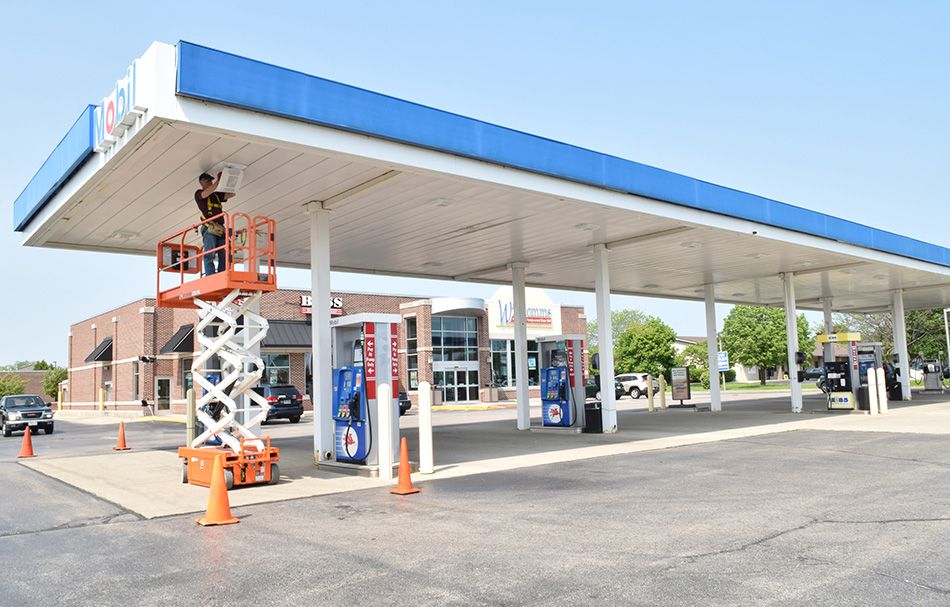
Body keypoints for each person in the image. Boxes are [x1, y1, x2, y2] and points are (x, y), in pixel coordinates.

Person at [194, 172, 236, 275]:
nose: (210, 183)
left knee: (223, 254)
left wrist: (230, 182)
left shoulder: (216, 195)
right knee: (210, 253)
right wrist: (218, 182)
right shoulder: (199, 194)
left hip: (220, 229)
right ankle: (210, 275)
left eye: (211, 181)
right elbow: (206, 193)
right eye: (208, 181)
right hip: (209, 229)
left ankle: (222, 274)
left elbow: (232, 194)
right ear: (201, 182)